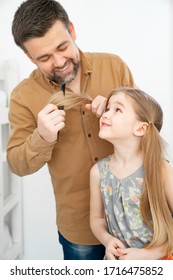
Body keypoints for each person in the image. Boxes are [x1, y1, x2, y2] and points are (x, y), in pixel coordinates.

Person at [7, 0, 135, 260]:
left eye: (62, 47)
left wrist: (122, 116)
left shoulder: (114, 66)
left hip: (135, 218)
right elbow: (17, 164)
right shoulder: (23, 96)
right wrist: (42, 137)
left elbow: (151, 126)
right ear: (29, 57)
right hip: (80, 230)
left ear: (72, 31)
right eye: (43, 58)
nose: (59, 62)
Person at [90, 87, 173, 260]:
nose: (105, 114)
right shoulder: (98, 172)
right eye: (107, 109)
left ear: (141, 129)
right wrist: (107, 240)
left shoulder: (160, 170)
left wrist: (148, 254)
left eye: (117, 109)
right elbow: (96, 219)